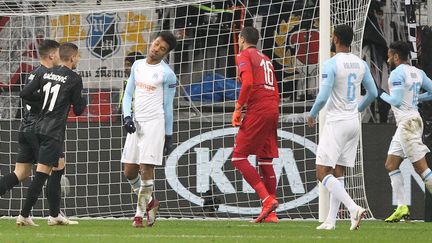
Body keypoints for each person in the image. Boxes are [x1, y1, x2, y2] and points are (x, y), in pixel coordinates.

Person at [307, 24, 377, 230]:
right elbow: (373, 93)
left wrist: (312, 114)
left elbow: (323, 96)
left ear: (336, 39)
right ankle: (331, 220)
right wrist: (357, 109)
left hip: (336, 122)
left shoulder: (331, 64)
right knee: (338, 171)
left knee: (322, 172)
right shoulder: (360, 63)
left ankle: (353, 207)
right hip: (353, 123)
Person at [0, 39, 76, 225]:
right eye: (59, 53)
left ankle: (53, 214)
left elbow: (25, 94)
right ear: (52, 55)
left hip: (25, 128)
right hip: (40, 129)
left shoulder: (34, 73)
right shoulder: (48, 75)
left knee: (21, 173)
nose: (61, 57)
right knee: (55, 168)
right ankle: (51, 215)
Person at [16, 42, 86, 226]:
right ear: (72, 57)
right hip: (52, 132)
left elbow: (24, 93)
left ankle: (54, 215)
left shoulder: (46, 73)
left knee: (58, 166)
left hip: (38, 128)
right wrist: (82, 98)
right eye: (78, 56)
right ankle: (24, 215)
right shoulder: (74, 79)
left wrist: (43, 104)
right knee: (41, 174)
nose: (79, 59)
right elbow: (78, 110)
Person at [121, 31, 177, 227]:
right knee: (129, 171)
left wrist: (168, 135)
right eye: (156, 44)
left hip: (155, 124)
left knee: (146, 169)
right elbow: (128, 95)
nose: (156, 49)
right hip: (136, 123)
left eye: (162, 49)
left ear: (166, 53)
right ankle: (151, 202)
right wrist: (127, 116)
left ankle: (138, 215)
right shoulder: (137, 65)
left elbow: (168, 107)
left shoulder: (167, 74)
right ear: (152, 42)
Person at [377, 41, 432, 222]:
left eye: (389, 55)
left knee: (421, 169)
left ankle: (402, 206)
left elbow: (397, 100)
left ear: (396, 56)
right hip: (409, 122)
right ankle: (401, 207)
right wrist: (417, 98)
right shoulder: (418, 72)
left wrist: (380, 93)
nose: (387, 59)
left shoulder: (397, 74)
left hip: (408, 124)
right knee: (391, 164)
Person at [231, 26, 279, 223]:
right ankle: (272, 214)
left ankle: (267, 200)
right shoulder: (266, 59)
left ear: (242, 39)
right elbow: (276, 89)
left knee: (238, 157)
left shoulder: (244, 54)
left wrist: (238, 107)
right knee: (265, 160)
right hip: (273, 107)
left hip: (258, 107)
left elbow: (248, 83)